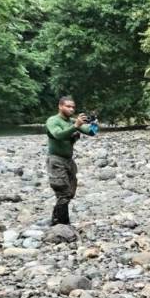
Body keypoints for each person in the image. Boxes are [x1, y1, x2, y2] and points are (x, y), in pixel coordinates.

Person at [45, 96, 96, 226]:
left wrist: (94, 122)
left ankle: (60, 220)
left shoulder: (73, 121)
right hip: (56, 160)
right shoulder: (53, 120)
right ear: (60, 106)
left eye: (73, 107)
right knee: (63, 192)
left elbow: (91, 132)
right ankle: (59, 223)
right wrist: (75, 126)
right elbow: (58, 135)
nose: (71, 109)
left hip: (69, 160)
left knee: (70, 192)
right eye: (68, 106)